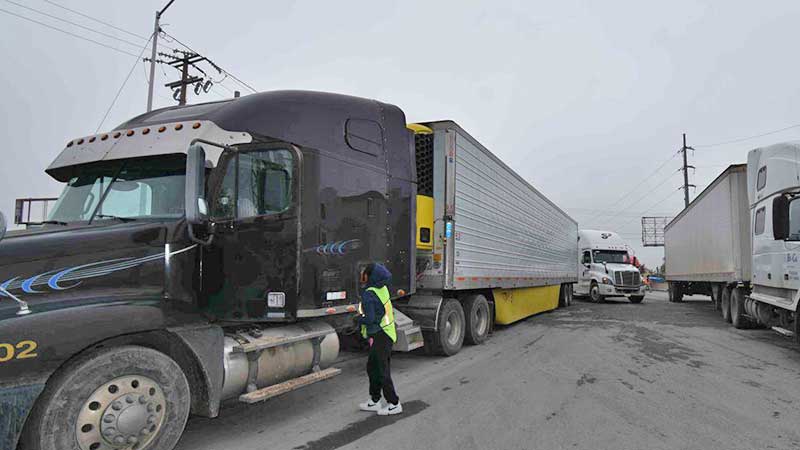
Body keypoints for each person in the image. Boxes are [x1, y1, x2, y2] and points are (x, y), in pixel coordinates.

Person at [356, 263, 402, 415]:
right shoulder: (382, 289)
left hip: (381, 334)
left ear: (371, 277)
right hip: (387, 333)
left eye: (365, 274)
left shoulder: (369, 294)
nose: (362, 278)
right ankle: (375, 400)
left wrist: (357, 319)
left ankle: (394, 403)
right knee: (373, 367)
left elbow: (369, 319)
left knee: (381, 370)